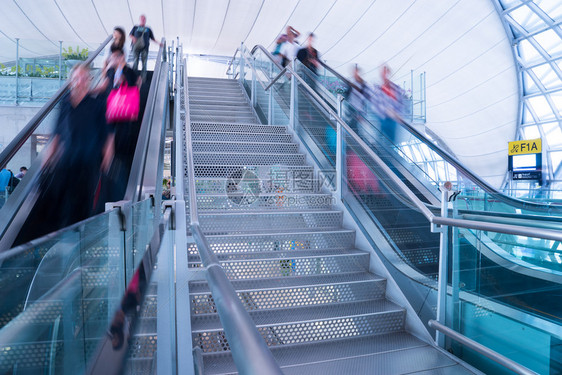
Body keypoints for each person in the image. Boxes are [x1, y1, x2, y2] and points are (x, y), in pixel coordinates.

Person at [14, 63, 114, 245]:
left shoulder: (97, 105)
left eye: (84, 77)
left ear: (89, 80)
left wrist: (106, 164)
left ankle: (75, 245)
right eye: (77, 77)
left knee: (80, 206)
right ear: (71, 81)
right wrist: (44, 164)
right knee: (57, 203)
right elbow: (56, 136)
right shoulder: (65, 104)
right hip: (64, 163)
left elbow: (108, 137)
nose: (80, 81)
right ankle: (54, 244)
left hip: (87, 165)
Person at [100, 49, 141, 202]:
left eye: (115, 57)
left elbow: (137, 82)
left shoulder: (129, 71)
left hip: (123, 114)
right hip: (112, 111)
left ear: (121, 57)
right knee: (110, 139)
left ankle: (121, 189)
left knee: (121, 147)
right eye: (111, 57)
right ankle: (110, 167)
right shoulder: (111, 71)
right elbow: (105, 85)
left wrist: (125, 82)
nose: (113, 59)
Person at [129, 15, 163, 80]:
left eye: (144, 19)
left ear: (145, 20)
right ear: (139, 19)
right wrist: (133, 38)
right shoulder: (135, 27)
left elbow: (153, 38)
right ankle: (133, 76)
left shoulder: (148, 29)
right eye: (142, 19)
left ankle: (143, 77)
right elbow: (130, 35)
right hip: (135, 47)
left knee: (144, 62)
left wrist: (159, 43)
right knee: (135, 61)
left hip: (145, 47)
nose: (143, 20)